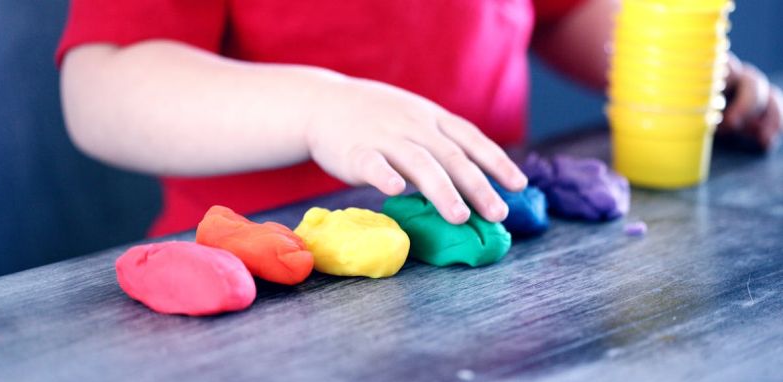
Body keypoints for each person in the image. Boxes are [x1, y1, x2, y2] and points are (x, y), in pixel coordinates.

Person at [57, 0, 782, 237]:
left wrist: (679, 73)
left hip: (493, 265)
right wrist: (320, 107)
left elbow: (563, 15)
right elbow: (104, 88)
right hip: (264, 288)